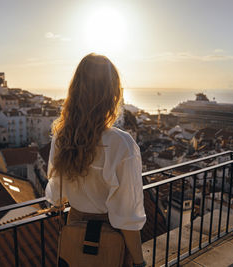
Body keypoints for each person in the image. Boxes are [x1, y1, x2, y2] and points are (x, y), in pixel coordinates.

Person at [45, 53, 146, 267]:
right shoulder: (121, 144)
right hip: (110, 238)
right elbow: (127, 217)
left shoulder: (61, 138)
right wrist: (139, 262)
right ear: (112, 96)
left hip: (75, 233)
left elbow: (56, 197)